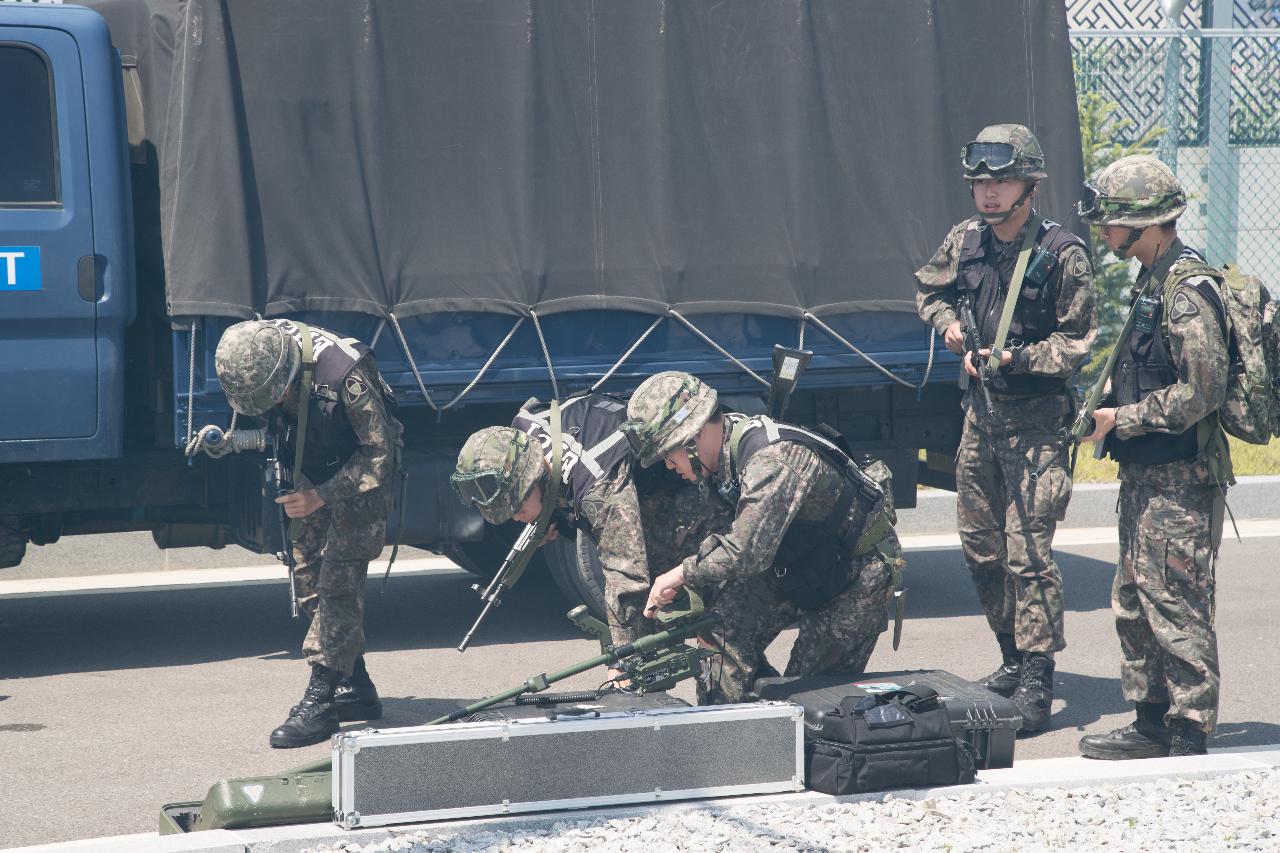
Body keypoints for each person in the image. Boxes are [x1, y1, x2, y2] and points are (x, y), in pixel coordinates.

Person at [914, 123, 1097, 732]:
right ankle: (1012, 657)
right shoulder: (965, 241)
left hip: (1037, 426)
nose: (988, 194)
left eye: (1002, 182)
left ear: (1031, 185)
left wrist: (1019, 358)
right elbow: (928, 291)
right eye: (980, 183)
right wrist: (950, 330)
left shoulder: (1062, 253)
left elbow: (1078, 344)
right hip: (980, 421)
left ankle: (1038, 676)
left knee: (1029, 555)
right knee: (980, 548)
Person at [1075, 155, 1231, 759]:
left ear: (1146, 223)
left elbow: (1202, 389)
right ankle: (1150, 720)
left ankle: (1188, 730)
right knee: (1135, 599)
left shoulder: (1187, 290)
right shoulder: (1151, 280)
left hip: (1180, 479)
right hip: (1145, 475)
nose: (1103, 232)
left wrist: (1125, 418)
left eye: (1111, 221)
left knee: (1177, 603)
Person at [625, 371, 904, 705]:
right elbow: (722, 533)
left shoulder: (771, 460)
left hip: (855, 575)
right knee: (721, 636)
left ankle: (775, 728)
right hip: (795, 560)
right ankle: (727, 734)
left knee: (811, 705)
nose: (670, 466)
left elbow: (747, 551)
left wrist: (682, 573)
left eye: (669, 454)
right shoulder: (726, 452)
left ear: (692, 438)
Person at [214, 318, 402, 748]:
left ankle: (319, 702)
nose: (273, 401)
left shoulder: (345, 375)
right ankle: (355, 687)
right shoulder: (260, 350)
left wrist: (321, 497)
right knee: (308, 578)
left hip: (362, 481)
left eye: (274, 394)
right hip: (313, 473)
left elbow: (379, 455)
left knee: (338, 582)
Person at [451, 393, 733, 651]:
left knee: (690, 624)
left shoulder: (597, 489)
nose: (516, 517)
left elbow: (627, 580)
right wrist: (557, 514)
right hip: (652, 477)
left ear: (535, 478)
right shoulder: (522, 429)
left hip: (701, 482)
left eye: (519, 505)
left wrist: (622, 659)